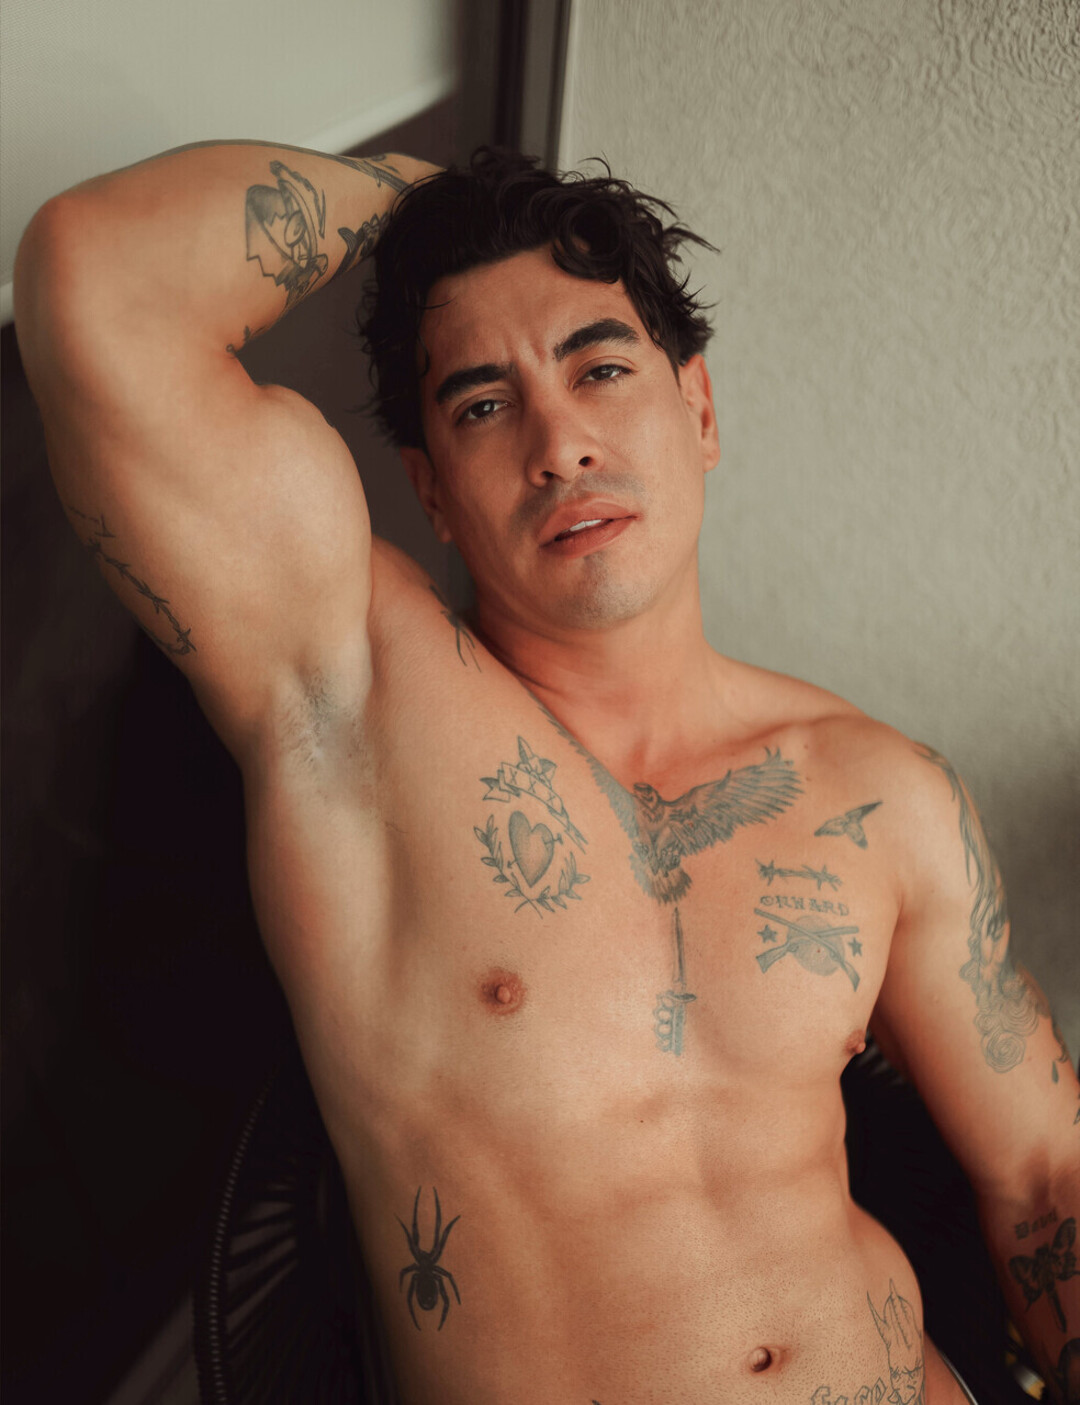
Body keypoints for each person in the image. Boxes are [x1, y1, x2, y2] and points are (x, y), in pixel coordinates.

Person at [14, 142, 1078, 1405]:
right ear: (431, 491)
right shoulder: (353, 696)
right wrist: (433, 194)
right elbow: (96, 281)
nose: (559, 443)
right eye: (482, 404)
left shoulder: (880, 793)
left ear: (700, 410)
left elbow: (1043, 1177)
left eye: (600, 368)